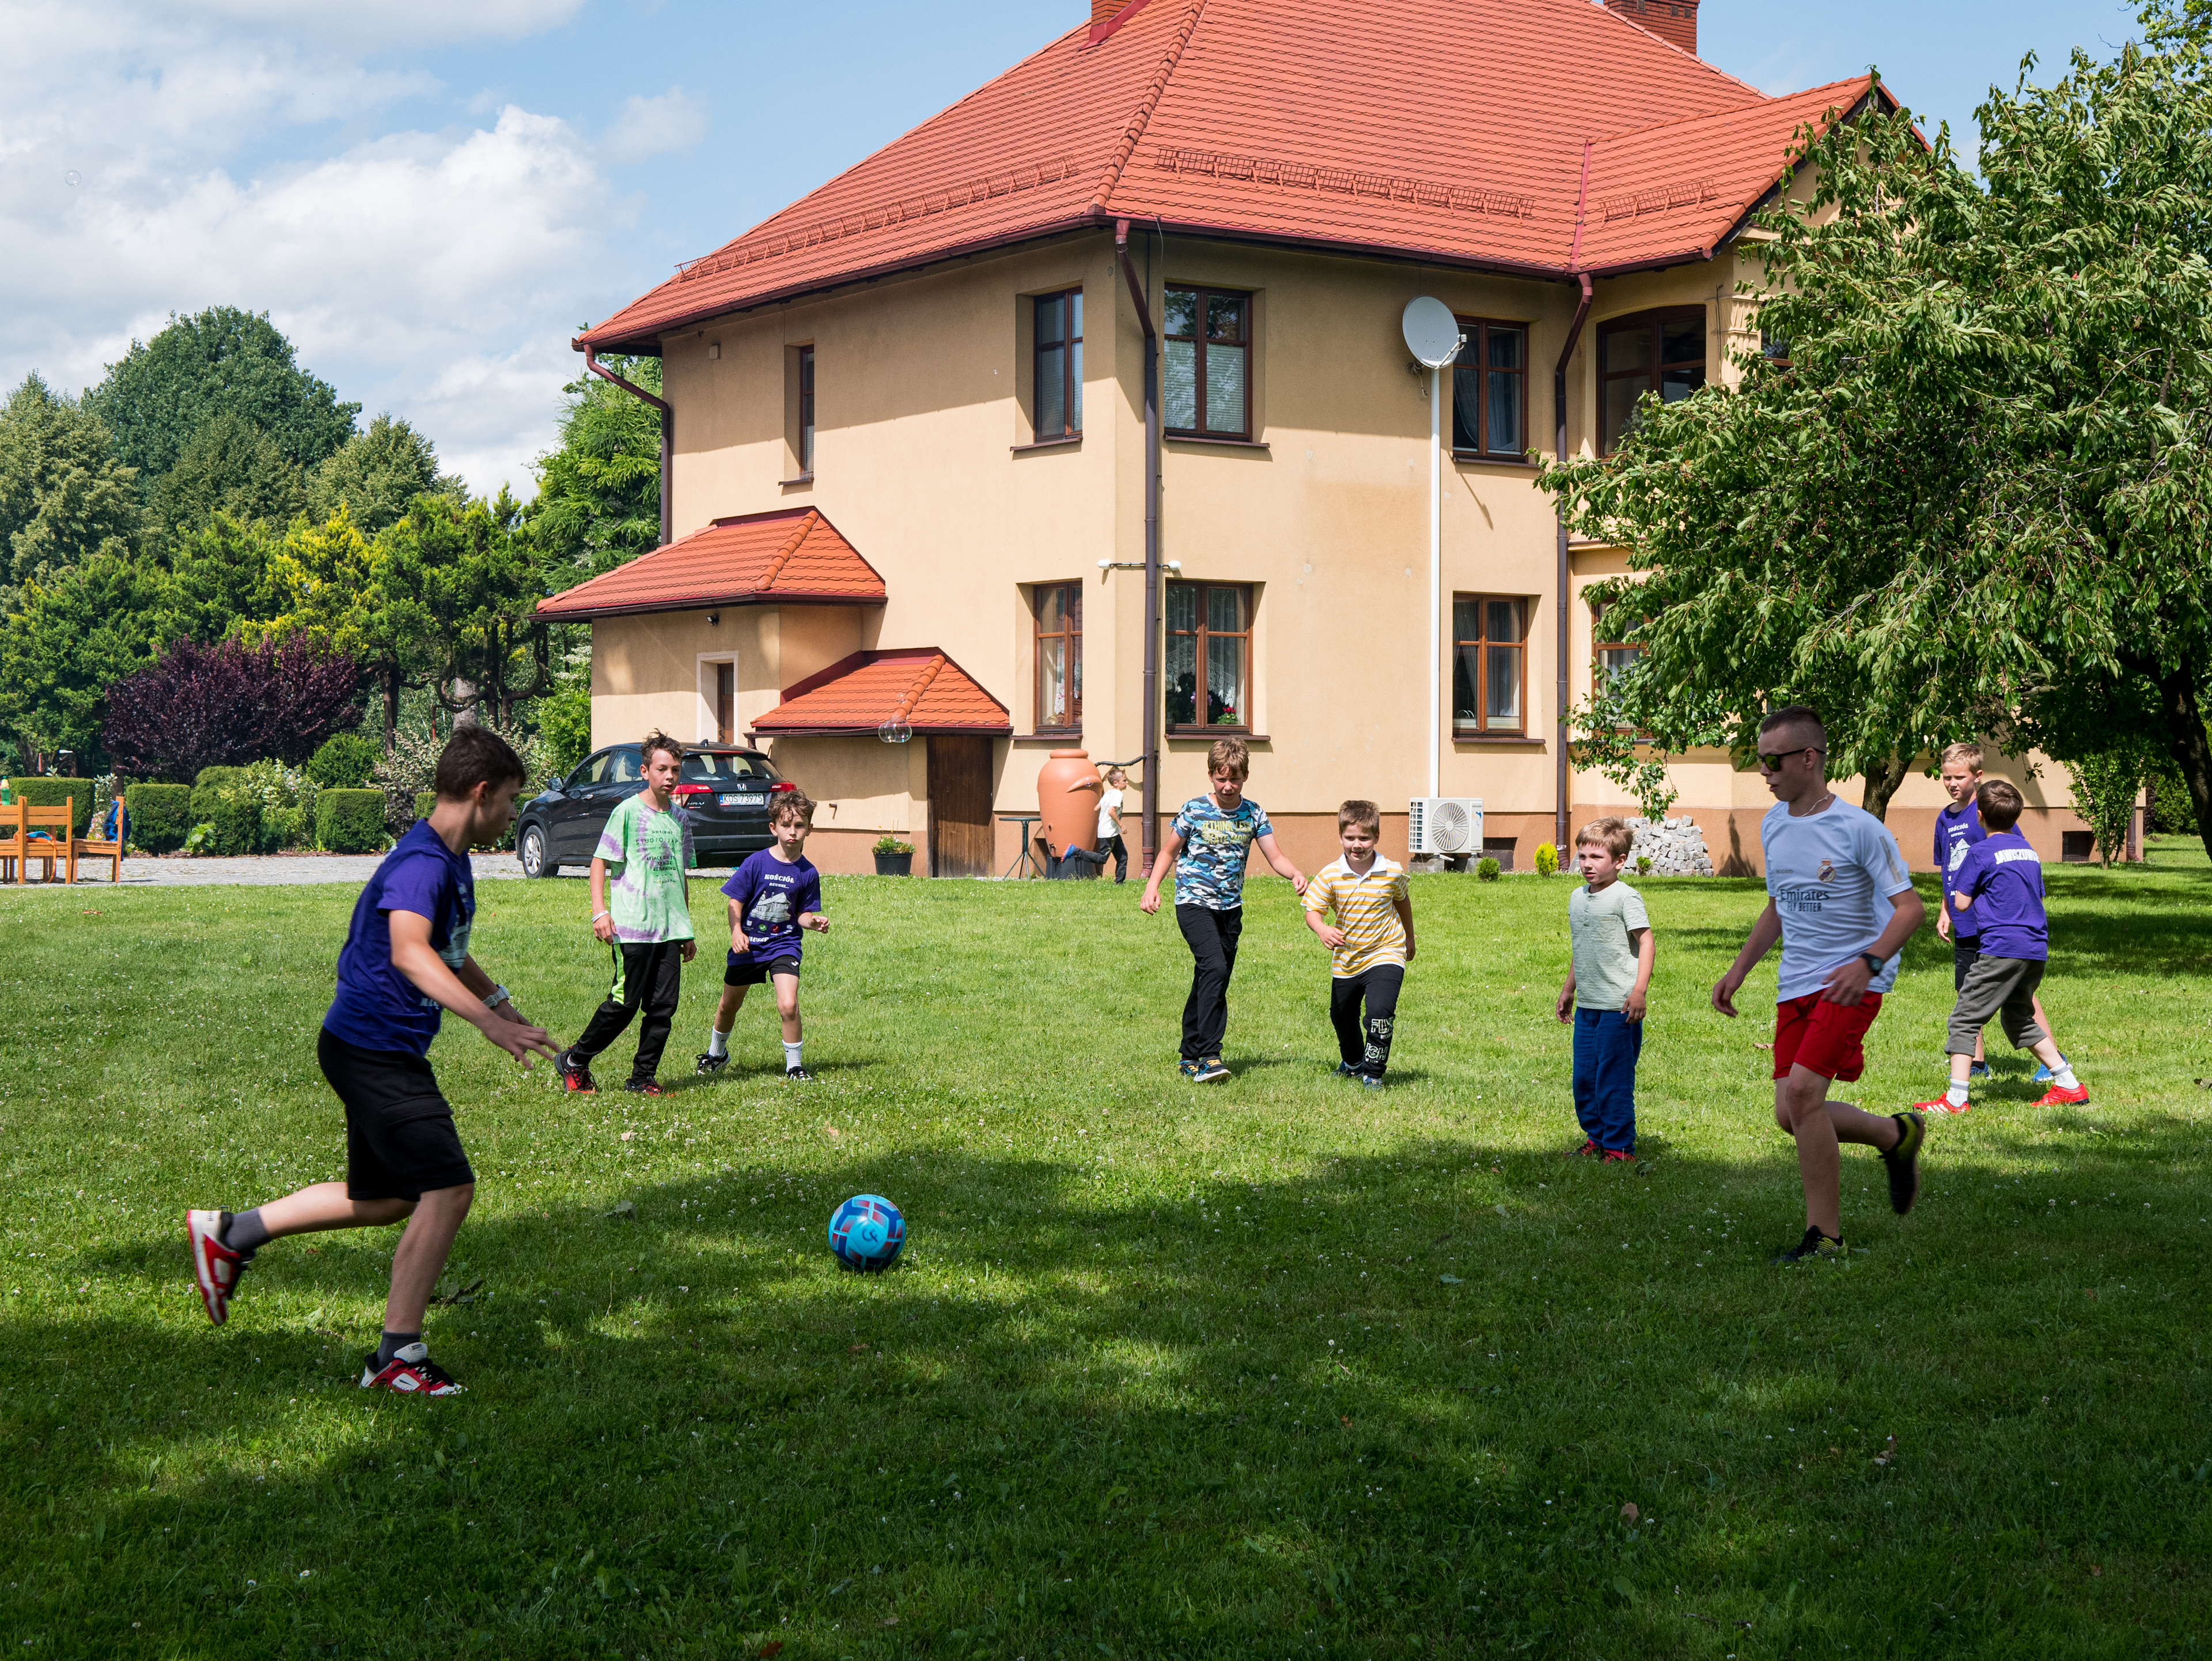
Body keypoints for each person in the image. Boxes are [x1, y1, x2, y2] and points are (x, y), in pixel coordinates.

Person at [184, 727, 559, 1395]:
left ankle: (232, 1233)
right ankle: (396, 1358)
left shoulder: (449, 856)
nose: (510, 812)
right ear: (480, 793)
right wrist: (485, 1027)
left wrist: (498, 1001)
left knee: (388, 1198)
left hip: (369, 1044)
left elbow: (443, 947)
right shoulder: (424, 864)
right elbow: (410, 952)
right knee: (448, 1187)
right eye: (509, 799)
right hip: (374, 1049)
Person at [1711, 706, 1928, 1265]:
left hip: (1853, 980)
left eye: (1773, 760)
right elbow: (1779, 906)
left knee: (1806, 1096)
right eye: (1760, 761)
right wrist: (1738, 971)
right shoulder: (1775, 824)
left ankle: (1825, 1237)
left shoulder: (1860, 829)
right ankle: (1894, 1135)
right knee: (1790, 1114)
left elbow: (1910, 910)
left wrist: (1868, 964)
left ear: (1809, 758)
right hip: (1797, 983)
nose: (1764, 771)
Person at [1916, 778, 2090, 1113]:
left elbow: (1962, 903)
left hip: (2001, 947)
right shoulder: (2029, 851)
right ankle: (2069, 1085)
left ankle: (1955, 1099)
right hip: (2035, 948)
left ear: (1979, 815)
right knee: (2018, 1017)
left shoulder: (1979, 851)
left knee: (1965, 1017)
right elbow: (2035, 894)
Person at [1139, 737, 1306, 1083]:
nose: (1228, 786)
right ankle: (1210, 1056)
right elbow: (1170, 852)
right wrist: (1152, 887)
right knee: (1214, 967)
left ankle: (1189, 1054)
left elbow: (1274, 856)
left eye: (1235, 779)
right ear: (1211, 776)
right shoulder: (1194, 810)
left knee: (1211, 977)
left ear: (1245, 776)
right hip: (1194, 902)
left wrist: (1296, 874)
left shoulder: (1253, 813)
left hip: (1230, 908)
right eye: (1221, 779)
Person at [558, 731, 696, 1096]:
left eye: (676, 770)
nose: (670, 776)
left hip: (669, 931)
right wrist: (599, 912)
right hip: (633, 927)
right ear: (645, 770)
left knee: (663, 1008)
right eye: (662, 769)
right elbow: (599, 863)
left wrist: (686, 930)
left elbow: (681, 876)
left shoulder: (681, 820)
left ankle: (642, 1078)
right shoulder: (627, 812)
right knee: (625, 1003)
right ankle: (575, 1060)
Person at [1933, 741, 2067, 1084]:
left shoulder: (1988, 812)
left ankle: (2049, 1056)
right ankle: (1976, 1062)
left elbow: (2013, 857)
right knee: (1968, 992)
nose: (1952, 783)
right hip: (1963, 920)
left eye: (1959, 777)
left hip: (1995, 923)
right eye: (1946, 777)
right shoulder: (1944, 818)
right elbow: (1949, 869)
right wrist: (1945, 910)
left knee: (2016, 991)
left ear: (1977, 777)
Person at [698, 789, 828, 1081]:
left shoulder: (808, 873)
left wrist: (813, 923)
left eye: (799, 826)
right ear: (774, 828)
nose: (792, 832)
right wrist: (736, 932)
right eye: (786, 825)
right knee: (728, 1005)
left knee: (789, 1004)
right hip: (749, 947)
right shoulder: (756, 863)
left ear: (809, 829)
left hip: (784, 945)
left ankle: (794, 1066)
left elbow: (802, 914)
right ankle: (716, 1054)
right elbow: (735, 902)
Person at [1555, 816, 1654, 1162]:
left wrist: (1639, 991)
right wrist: (1569, 989)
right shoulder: (1577, 898)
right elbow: (1583, 947)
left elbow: (1647, 943)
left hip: (1619, 1007)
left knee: (1613, 1080)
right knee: (1584, 1079)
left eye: (1596, 858)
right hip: (1588, 1007)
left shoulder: (1626, 897)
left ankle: (1620, 1147)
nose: (1586, 865)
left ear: (1619, 861)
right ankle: (1596, 1139)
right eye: (1582, 857)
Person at [1302, 799, 1415, 1089]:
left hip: (1386, 952)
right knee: (1341, 1016)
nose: (1357, 844)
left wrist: (1410, 937)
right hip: (1347, 959)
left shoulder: (1391, 871)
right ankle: (1353, 1062)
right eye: (1350, 837)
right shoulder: (1331, 874)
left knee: (1379, 1014)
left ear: (1376, 837)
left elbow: (1402, 900)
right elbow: (1312, 910)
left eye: (1364, 838)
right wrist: (1322, 929)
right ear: (1341, 836)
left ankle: (1373, 1074)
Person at [1097, 766, 1131, 884]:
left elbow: (1097, 808)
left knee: (1123, 856)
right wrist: (1121, 825)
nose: (1127, 783)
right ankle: (1075, 852)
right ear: (1116, 783)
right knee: (1102, 858)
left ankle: (1119, 882)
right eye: (1124, 781)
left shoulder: (1109, 793)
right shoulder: (1117, 794)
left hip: (1111, 831)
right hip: (1109, 832)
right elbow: (1111, 811)